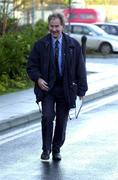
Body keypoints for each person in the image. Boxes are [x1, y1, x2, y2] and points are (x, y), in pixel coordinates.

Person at [27, 13, 88, 161]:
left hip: (66, 89)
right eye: (51, 26)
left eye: (57, 26)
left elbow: (80, 68)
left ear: (62, 26)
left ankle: (56, 149)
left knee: (62, 120)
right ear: (49, 26)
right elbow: (31, 67)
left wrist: (82, 89)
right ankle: (46, 149)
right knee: (47, 117)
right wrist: (38, 78)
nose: (54, 29)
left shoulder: (73, 45)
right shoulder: (40, 45)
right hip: (47, 89)